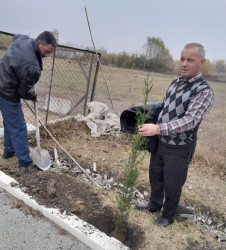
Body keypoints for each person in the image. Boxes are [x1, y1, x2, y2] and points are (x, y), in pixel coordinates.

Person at [136, 43, 214, 227]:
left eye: (190, 60)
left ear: (201, 62)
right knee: (155, 176)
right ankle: (154, 205)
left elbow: (190, 120)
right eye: (182, 59)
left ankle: (167, 216)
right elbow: (164, 106)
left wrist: (158, 128)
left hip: (179, 148)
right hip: (161, 142)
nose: (184, 64)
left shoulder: (203, 91)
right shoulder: (175, 83)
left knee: (173, 184)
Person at [0, 31, 57, 175]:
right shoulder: (32, 67)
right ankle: (25, 164)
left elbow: (15, 37)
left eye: (50, 53)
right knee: (19, 127)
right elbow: (24, 91)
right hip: (7, 92)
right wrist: (33, 95)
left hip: (2, 81)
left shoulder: (24, 40)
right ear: (39, 43)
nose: (47, 55)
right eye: (46, 51)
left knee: (9, 122)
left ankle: (9, 151)